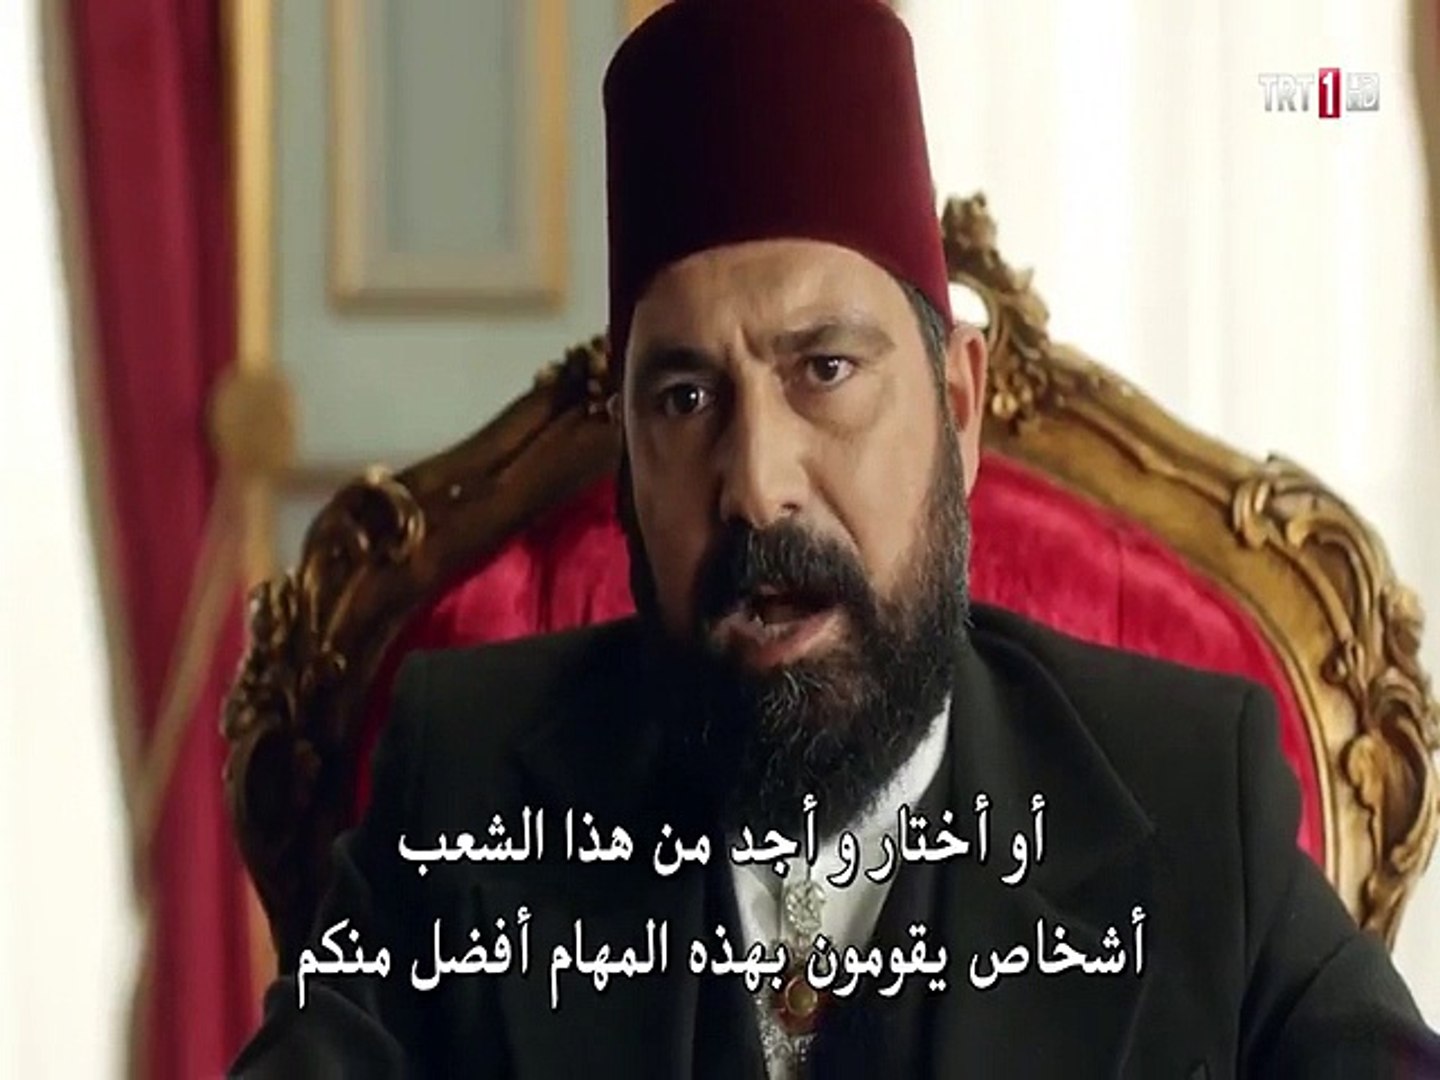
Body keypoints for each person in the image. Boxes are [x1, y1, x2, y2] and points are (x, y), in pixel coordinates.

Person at [231, 1, 1440, 1076]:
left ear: (957, 405)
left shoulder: (1185, 796)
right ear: (627, 453)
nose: (757, 489)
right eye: (686, 399)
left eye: (824, 371)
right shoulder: (465, 781)